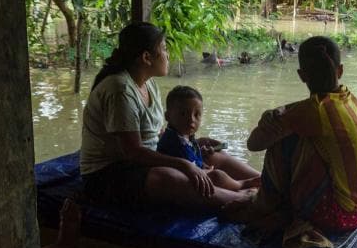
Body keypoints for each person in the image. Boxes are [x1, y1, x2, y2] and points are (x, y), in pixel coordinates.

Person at [80, 22, 259, 210]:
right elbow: (132, 153)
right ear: (147, 57)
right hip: (108, 176)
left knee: (211, 152)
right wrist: (184, 165)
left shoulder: (148, 85)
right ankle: (245, 199)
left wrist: (190, 144)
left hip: (142, 162)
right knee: (167, 178)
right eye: (164, 49)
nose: (168, 55)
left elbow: (156, 133)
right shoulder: (120, 89)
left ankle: (266, 183)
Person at [231, 36, 357, 248]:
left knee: (283, 142)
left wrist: (272, 117)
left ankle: (265, 206)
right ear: (340, 71)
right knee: (302, 137)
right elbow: (301, 108)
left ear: (302, 75)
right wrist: (279, 112)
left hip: (338, 216)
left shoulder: (313, 111)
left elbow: (254, 144)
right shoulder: (349, 98)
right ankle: (272, 203)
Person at [157, 86, 260, 191]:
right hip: (182, 181)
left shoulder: (186, 137)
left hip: (193, 172)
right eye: (183, 114)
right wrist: (207, 171)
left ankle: (250, 182)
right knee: (217, 176)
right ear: (167, 116)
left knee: (217, 165)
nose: (191, 119)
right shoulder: (172, 142)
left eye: (197, 115)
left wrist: (203, 165)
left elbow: (193, 159)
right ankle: (242, 185)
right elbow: (185, 167)